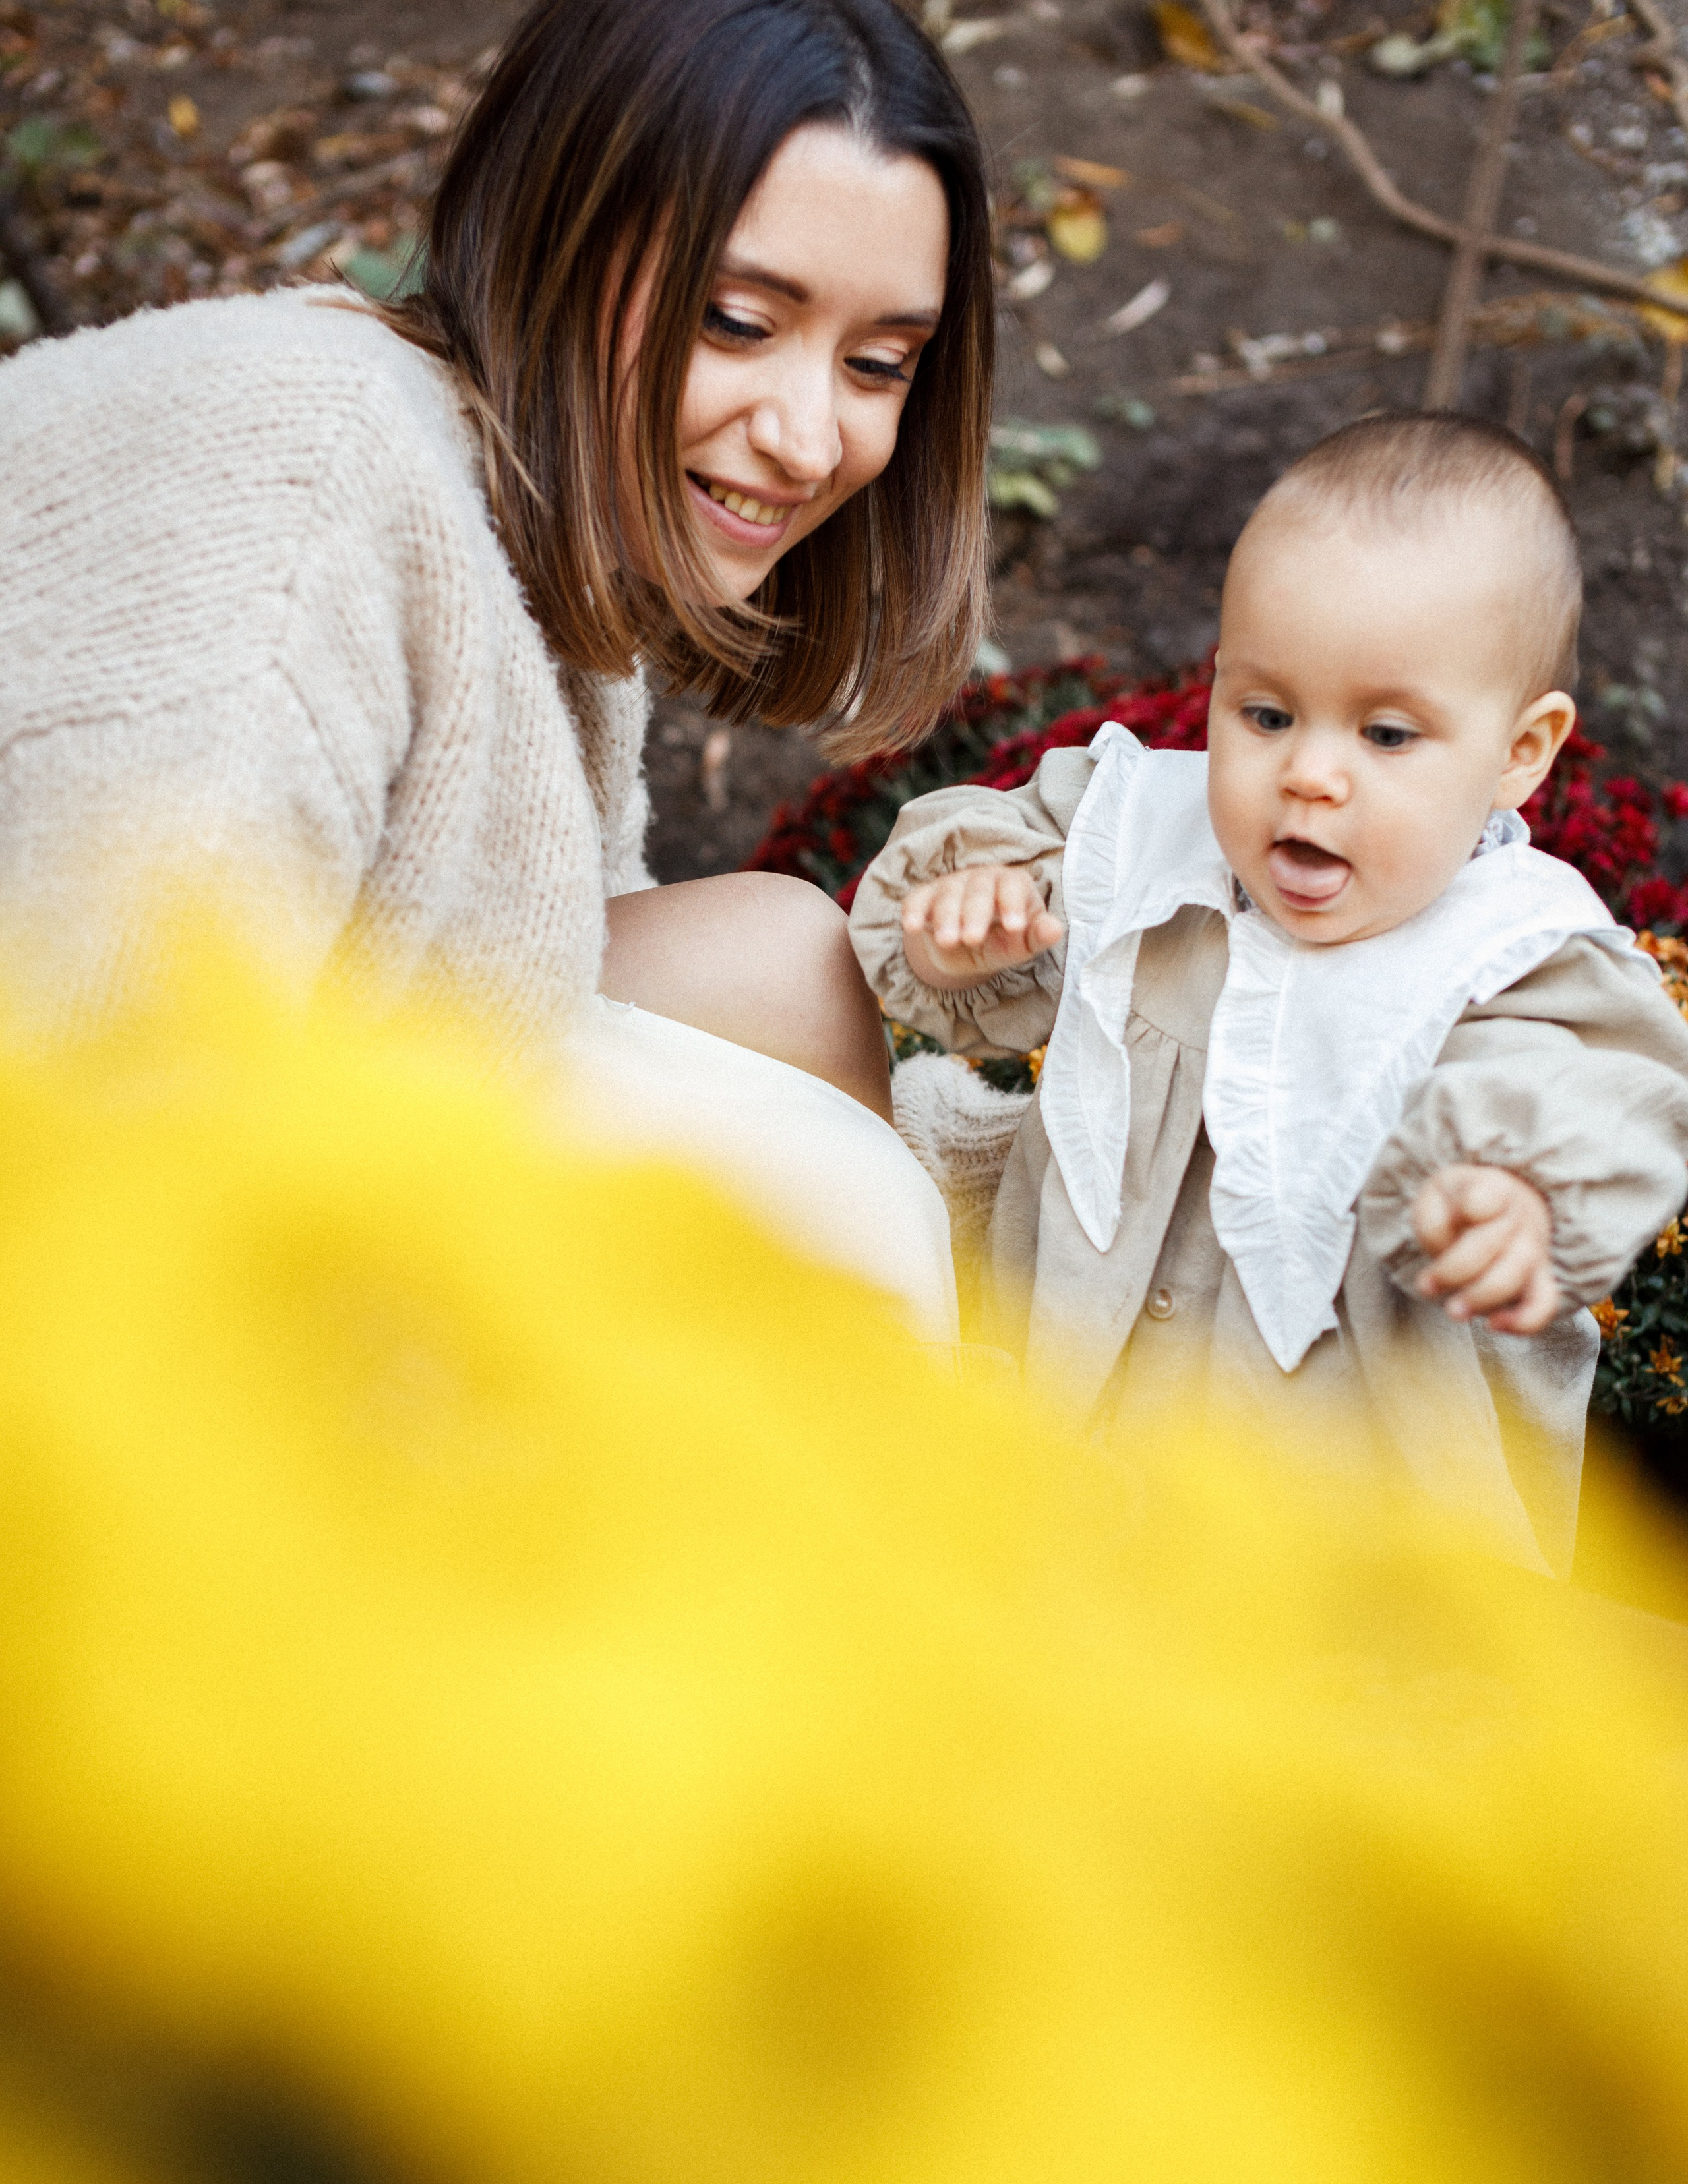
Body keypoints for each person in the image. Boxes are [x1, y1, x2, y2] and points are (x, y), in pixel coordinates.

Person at [0, 0, 995, 1344]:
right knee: (831, 1207)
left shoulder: (528, 533)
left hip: (297, 1142)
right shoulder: (297, 495)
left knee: (778, 965)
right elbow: (95, 1115)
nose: (811, 439)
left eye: (878, 364)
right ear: (559, 229)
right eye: (737, 321)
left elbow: (533, 984)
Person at [849, 414, 1688, 1568]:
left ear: (1522, 751)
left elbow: (1602, 1091)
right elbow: (989, 894)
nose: (1310, 772)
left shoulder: (1517, 955)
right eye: (1267, 713)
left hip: (1341, 1523)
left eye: (1388, 733)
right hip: (1075, 1434)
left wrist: (1516, 1191)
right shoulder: (1143, 834)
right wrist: (968, 920)